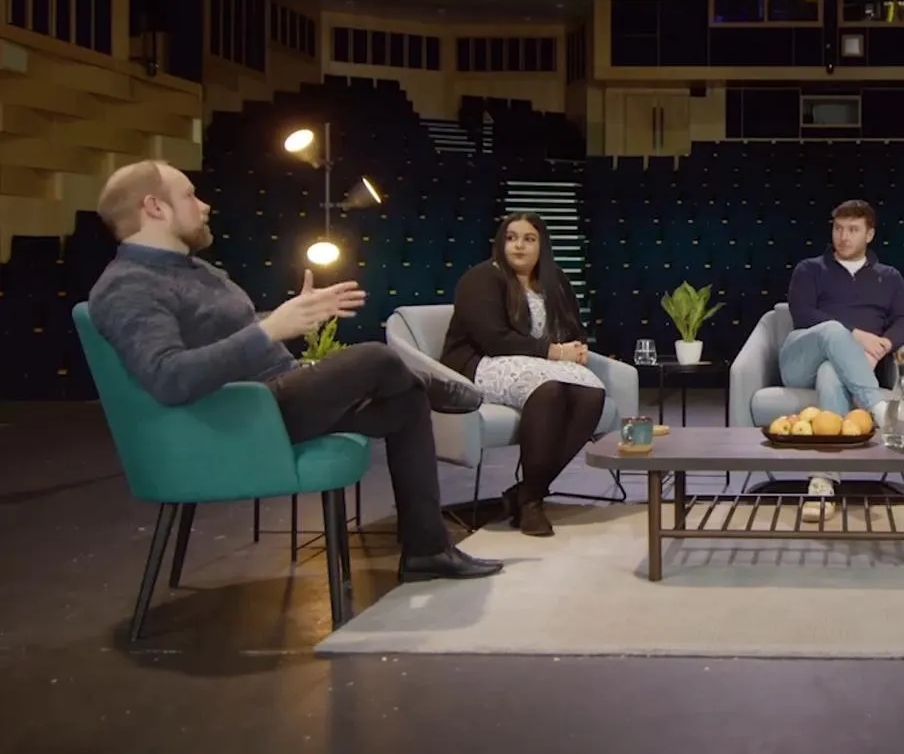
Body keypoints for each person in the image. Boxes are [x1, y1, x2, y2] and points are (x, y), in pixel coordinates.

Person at [86, 159, 503, 582]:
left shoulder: (196, 270)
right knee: (375, 357)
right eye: (190, 195)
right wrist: (269, 331)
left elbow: (228, 335)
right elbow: (168, 378)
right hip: (241, 417)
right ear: (155, 208)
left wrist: (294, 317)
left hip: (276, 397)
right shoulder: (128, 285)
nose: (205, 205)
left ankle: (427, 551)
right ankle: (435, 386)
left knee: (406, 404)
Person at [440, 213, 607, 537]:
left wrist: (579, 349)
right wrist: (557, 353)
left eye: (529, 238)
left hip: (535, 363)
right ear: (501, 242)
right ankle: (531, 505)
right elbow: (494, 339)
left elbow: (575, 327)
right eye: (511, 237)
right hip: (482, 362)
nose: (519, 245)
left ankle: (527, 491)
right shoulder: (481, 279)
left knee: (592, 393)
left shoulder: (554, 280)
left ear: (541, 245)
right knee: (550, 390)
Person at [782, 199, 904, 521]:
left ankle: (823, 481)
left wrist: (881, 346)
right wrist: (856, 338)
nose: (843, 237)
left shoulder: (890, 277)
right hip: (800, 357)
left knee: (832, 372)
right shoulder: (810, 269)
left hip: (848, 367)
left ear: (869, 234)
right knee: (830, 330)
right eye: (838, 228)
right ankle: (880, 410)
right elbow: (802, 315)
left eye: (853, 230)